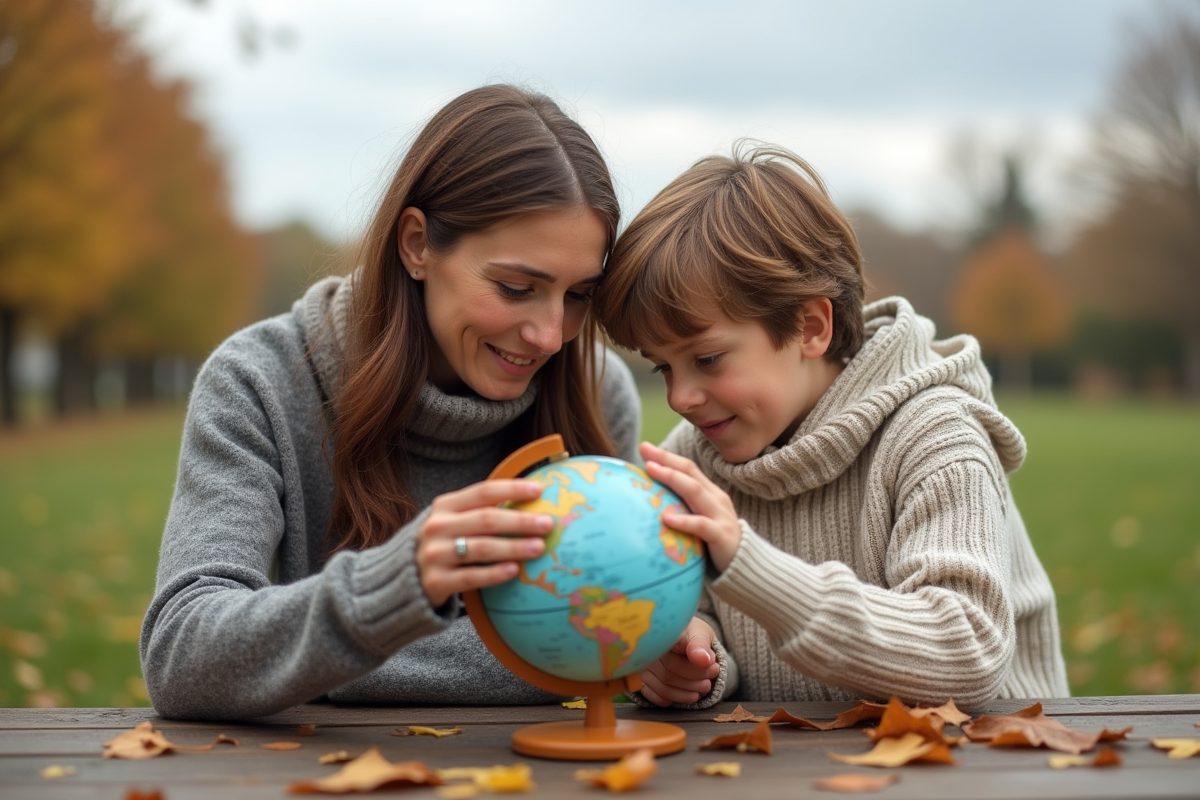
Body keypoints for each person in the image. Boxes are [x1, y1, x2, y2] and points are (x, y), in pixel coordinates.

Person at [140, 85, 642, 720]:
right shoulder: (257, 383)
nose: (549, 334)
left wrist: (327, 669)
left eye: (578, 296)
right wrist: (394, 588)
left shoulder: (598, 395)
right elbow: (183, 654)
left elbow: (622, 642)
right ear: (416, 245)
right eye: (517, 288)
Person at [592, 143, 1069, 709]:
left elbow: (966, 657)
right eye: (662, 366)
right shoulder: (694, 462)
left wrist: (752, 567)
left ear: (811, 327)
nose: (680, 397)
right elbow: (702, 616)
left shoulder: (936, 438)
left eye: (708, 359)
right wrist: (698, 657)